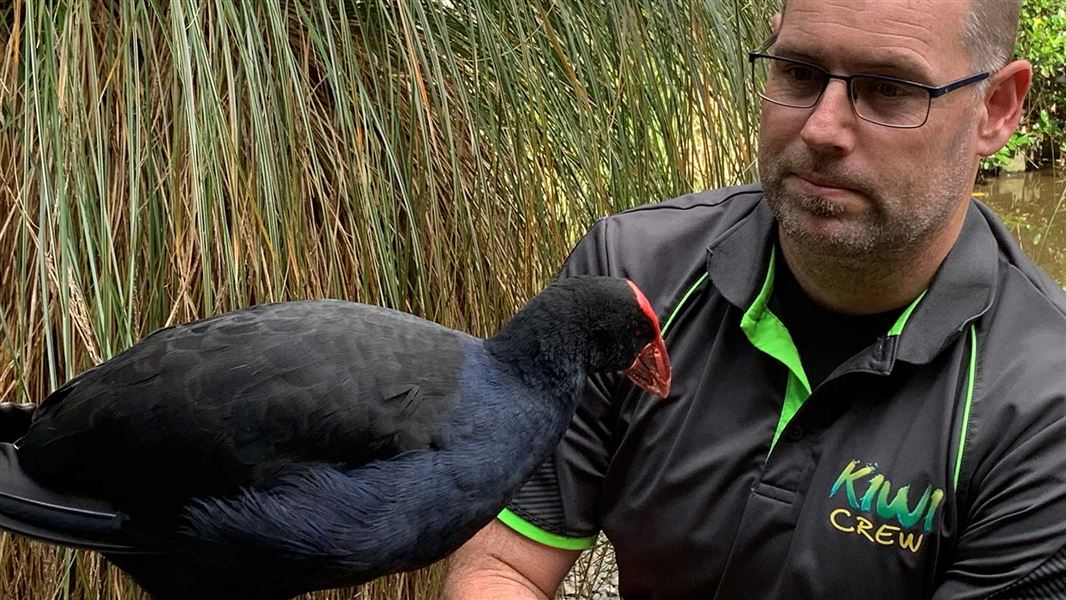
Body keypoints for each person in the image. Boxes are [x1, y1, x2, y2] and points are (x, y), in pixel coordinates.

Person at [442, 0, 1066, 598]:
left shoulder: (1044, 407)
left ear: (997, 108)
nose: (822, 128)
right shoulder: (632, 276)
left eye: (889, 89)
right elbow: (503, 564)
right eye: (799, 72)